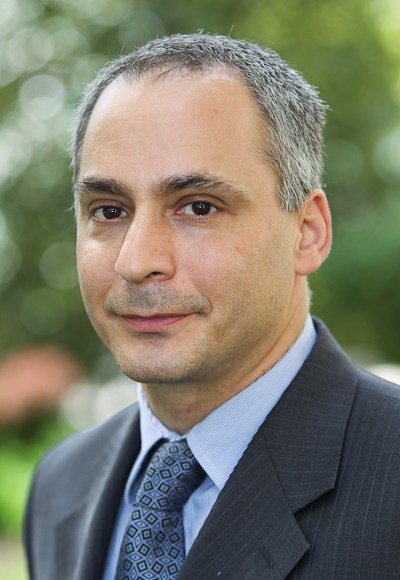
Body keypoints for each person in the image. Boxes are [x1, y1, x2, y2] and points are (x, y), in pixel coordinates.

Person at [23, 33, 400, 580]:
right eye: (108, 210)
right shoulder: (61, 485)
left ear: (308, 233)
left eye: (198, 207)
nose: (137, 261)